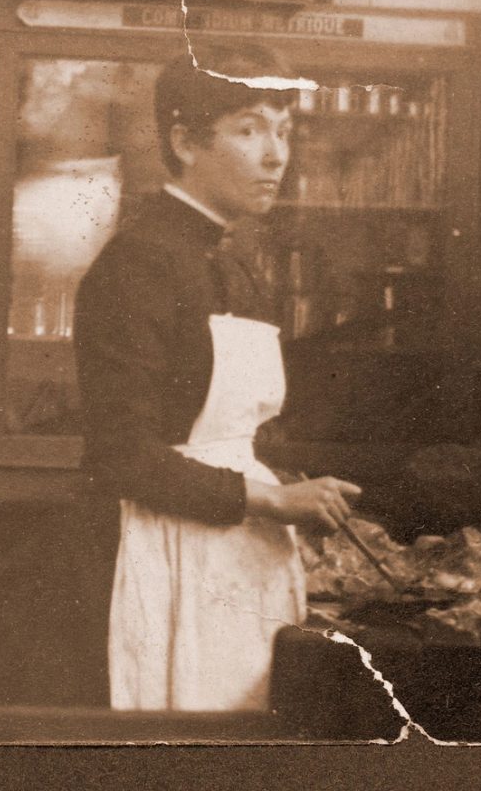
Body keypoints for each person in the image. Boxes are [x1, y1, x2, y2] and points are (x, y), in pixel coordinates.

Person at [74, 46, 361, 712]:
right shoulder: (141, 264)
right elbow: (122, 457)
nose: (276, 155)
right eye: (249, 129)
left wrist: (288, 497)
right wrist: (271, 502)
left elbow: (232, 435)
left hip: (230, 554)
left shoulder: (227, 262)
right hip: (161, 555)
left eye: (284, 131)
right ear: (184, 141)